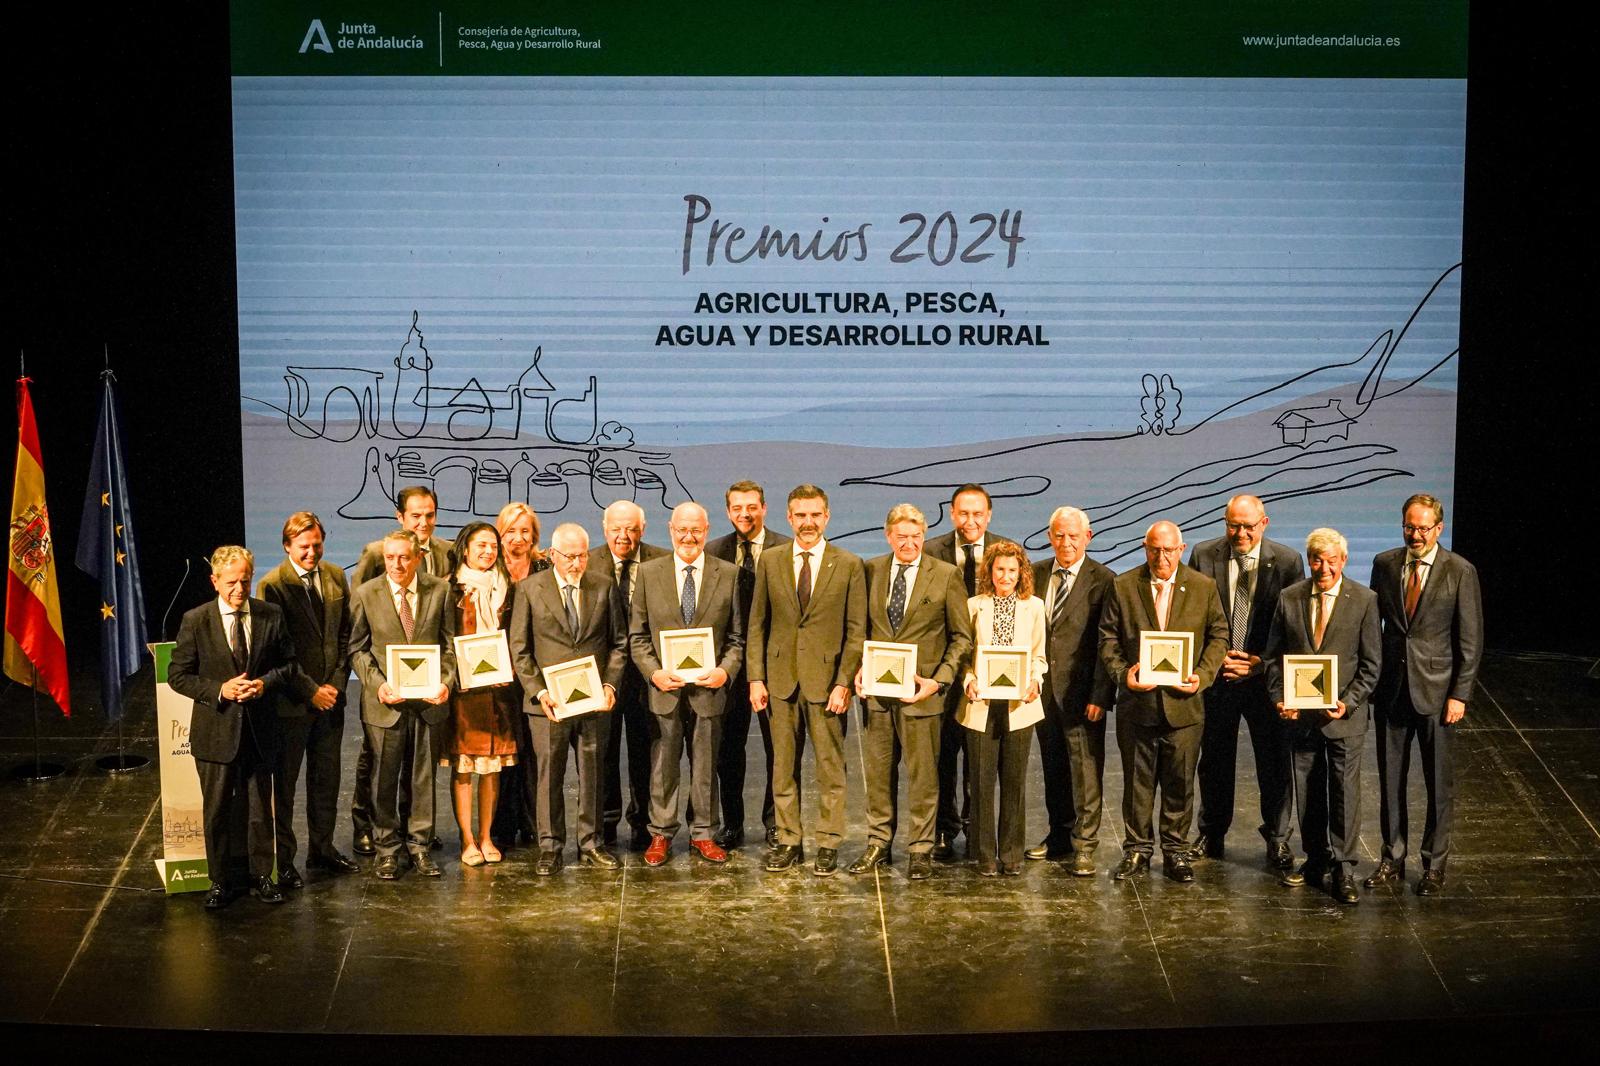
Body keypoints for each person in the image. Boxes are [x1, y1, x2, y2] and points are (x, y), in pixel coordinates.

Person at [1365, 493, 1483, 897]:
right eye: (1408, 527)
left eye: (1422, 528)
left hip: (1437, 693)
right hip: (1392, 691)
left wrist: (1459, 695)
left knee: (1437, 785)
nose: (1414, 535)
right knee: (1390, 781)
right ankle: (1392, 858)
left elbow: (1470, 641)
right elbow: (1372, 628)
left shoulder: (1459, 571)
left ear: (1438, 528)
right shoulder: (1384, 564)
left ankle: (1434, 865)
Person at [168, 546, 299, 909]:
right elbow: (177, 675)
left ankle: (263, 876)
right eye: (231, 582)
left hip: (259, 730)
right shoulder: (197, 620)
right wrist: (219, 690)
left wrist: (264, 684)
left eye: (245, 580)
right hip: (217, 732)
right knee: (218, 811)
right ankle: (220, 881)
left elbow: (288, 666)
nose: (239, 589)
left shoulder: (270, 615)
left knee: (260, 811)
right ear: (214, 581)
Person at [1098, 521, 1229, 883]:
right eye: (1155, 549)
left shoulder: (1203, 588)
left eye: (1169, 550)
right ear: (1145, 547)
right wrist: (1124, 674)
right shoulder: (1123, 585)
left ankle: (1175, 851)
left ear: (1181, 549)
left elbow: (1219, 636)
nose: (1162, 557)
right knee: (1137, 784)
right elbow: (1107, 639)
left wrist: (1202, 676)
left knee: (1179, 782)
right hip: (1137, 706)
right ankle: (1137, 850)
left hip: (1185, 706)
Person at [747, 484, 867, 876]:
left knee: (831, 769)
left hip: (827, 684)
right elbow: (757, 625)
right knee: (783, 768)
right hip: (780, 683)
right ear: (788, 517)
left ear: (827, 517)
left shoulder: (848, 564)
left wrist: (844, 681)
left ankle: (829, 842)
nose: (808, 522)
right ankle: (789, 839)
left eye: (815, 515)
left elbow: (855, 631)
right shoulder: (771, 560)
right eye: (801, 515)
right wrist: (756, 678)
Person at [850, 503, 972, 880]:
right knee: (878, 772)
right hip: (878, 697)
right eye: (901, 537)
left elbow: (961, 638)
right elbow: (860, 630)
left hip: (923, 697)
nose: (909, 543)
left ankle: (920, 848)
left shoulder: (947, 575)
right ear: (888, 537)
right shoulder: (870, 571)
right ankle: (878, 842)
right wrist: (857, 670)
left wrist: (937, 681)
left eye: (916, 536)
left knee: (923, 776)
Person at [1264, 528, 1383, 904]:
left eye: (1332, 560)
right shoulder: (1290, 597)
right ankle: (1316, 860)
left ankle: (1345, 868)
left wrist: (1347, 702)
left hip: (1343, 717)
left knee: (1345, 793)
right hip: (1301, 718)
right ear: (1309, 559)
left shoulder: (1364, 600)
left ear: (1344, 561)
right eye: (1317, 559)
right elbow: (1273, 658)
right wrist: (1281, 697)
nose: (1324, 567)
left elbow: (1371, 664)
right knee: (1309, 792)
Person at [1187, 494, 1305, 869]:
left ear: (1264, 524)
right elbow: (1193, 617)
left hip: (1264, 679)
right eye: (1232, 525)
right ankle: (1211, 833)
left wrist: (1259, 663)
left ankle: (1277, 837)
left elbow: (1293, 626)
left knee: (1273, 761)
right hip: (1218, 676)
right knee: (1214, 759)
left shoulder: (1287, 562)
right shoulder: (1204, 555)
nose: (1239, 533)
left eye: (1247, 526)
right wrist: (1216, 657)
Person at [629, 502, 746, 866]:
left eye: (696, 529)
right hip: (665, 689)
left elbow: (737, 638)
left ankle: (704, 834)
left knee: (705, 764)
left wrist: (725, 671)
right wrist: (654, 673)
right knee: (663, 764)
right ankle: (661, 834)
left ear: (707, 530)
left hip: (709, 690)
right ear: (670, 529)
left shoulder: (727, 574)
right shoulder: (649, 573)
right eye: (682, 529)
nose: (689, 536)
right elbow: (637, 637)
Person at [508, 522, 626, 874]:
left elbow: (619, 643)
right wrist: (538, 691)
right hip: (549, 705)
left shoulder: (604, 586)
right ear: (552, 555)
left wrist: (610, 686)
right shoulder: (530, 589)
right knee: (549, 775)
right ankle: (550, 846)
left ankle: (590, 843)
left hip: (592, 702)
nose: (576, 563)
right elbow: (520, 649)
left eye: (581, 556)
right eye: (569, 557)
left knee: (592, 773)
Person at [350, 486, 453, 858]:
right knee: (379, 768)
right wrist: (377, 684)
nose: (423, 522)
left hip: (426, 696)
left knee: (422, 773)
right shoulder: (373, 569)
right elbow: (358, 638)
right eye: (415, 515)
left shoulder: (443, 561)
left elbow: (449, 641)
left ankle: (419, 839)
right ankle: (377, 836)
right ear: (400, 517)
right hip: (387, 694)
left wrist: (444, 682)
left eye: (429, 515)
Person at [256, 512, 359, 887]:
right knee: (285, 786)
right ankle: (285, 859)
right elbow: (277, 652)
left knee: (326, 780)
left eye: (316, 545)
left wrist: (334, 685)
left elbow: (345, 635)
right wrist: (310, 691)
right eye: (303, 547)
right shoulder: (272, 586)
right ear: (287, 547)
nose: (311, 552)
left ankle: (323, 849)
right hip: (292, 704)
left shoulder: (334, 575)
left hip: (331, 699)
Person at [922, 484, 1018, 861]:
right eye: (963, 513)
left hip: (993, 676)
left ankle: (976, 827)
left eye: (978, 513)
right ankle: (945, 828)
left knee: (982, 758)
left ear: (989, 515)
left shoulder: (1007, 552)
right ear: (951, 513)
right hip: (945, 670)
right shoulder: (931, 551)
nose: (970, 520)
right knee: (943, 755)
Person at [1026, 506, 1116, 876]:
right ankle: (1060, 835)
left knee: (1086, 772)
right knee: (1054, 768)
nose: (1066, 542)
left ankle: (1085, 844)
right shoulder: (1035, 574)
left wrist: (1100, 695)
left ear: (1088, 538)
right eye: (1059, 535)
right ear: (1050, 537)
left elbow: (1108, 643)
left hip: (1082, 695)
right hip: (1042, 693)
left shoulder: (1105, 580)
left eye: (1073, 536)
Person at [706, 480, 790, 849]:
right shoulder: (713, 551)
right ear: (728, 512)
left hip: (773, 666)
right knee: (728, 750)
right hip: (728, 666)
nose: (745, 514)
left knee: (777, 749)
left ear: (764, 508)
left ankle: (775, 822)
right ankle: (733, 824)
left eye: (752, 507)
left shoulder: (785, 549)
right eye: (737, 508)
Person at [959, 542, 1047, 876]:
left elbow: (1039, 655)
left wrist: (1036, 680)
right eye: (999, 570)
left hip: (1020, 705)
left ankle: (1011, 853)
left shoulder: (1034, 607)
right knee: (980, 782)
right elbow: (965, 654)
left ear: (1021, 572)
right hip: (981, 703)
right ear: (989, 572)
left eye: (1012, 570)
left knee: (1014, 780)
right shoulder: (974, 606)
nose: (1005, 576)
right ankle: (983, 854)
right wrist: (968, 678)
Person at [590, 500, 669, 849]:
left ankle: (642, 822)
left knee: (645, 751)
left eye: (631, 529)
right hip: (600, 674)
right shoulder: (587, 561)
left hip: (647, 674)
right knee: (602, 752)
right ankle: (605, 822)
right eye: (616, 529)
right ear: (605, 529)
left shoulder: (662, 561)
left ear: (643, 529)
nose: (623, 536)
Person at [445, 522, 520, 867]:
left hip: (500, 692)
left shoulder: (508, 589)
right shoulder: (451, 589)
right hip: (464, 693)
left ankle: (487, 836)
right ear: (465, 549)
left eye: (493, 546)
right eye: (481, 546)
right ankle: (467, 838)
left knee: (492, 769)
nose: (489, 552)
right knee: (464, 768)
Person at [489, 502, 549, 851]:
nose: (518, 537)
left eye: (525, 530)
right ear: (500, 534)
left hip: (535, 675)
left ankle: (531, 822)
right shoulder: (490, 569)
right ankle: (501, 824)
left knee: (532, 753)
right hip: (496, 677)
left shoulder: (545, 568)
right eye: (511, 530)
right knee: (503, 753)